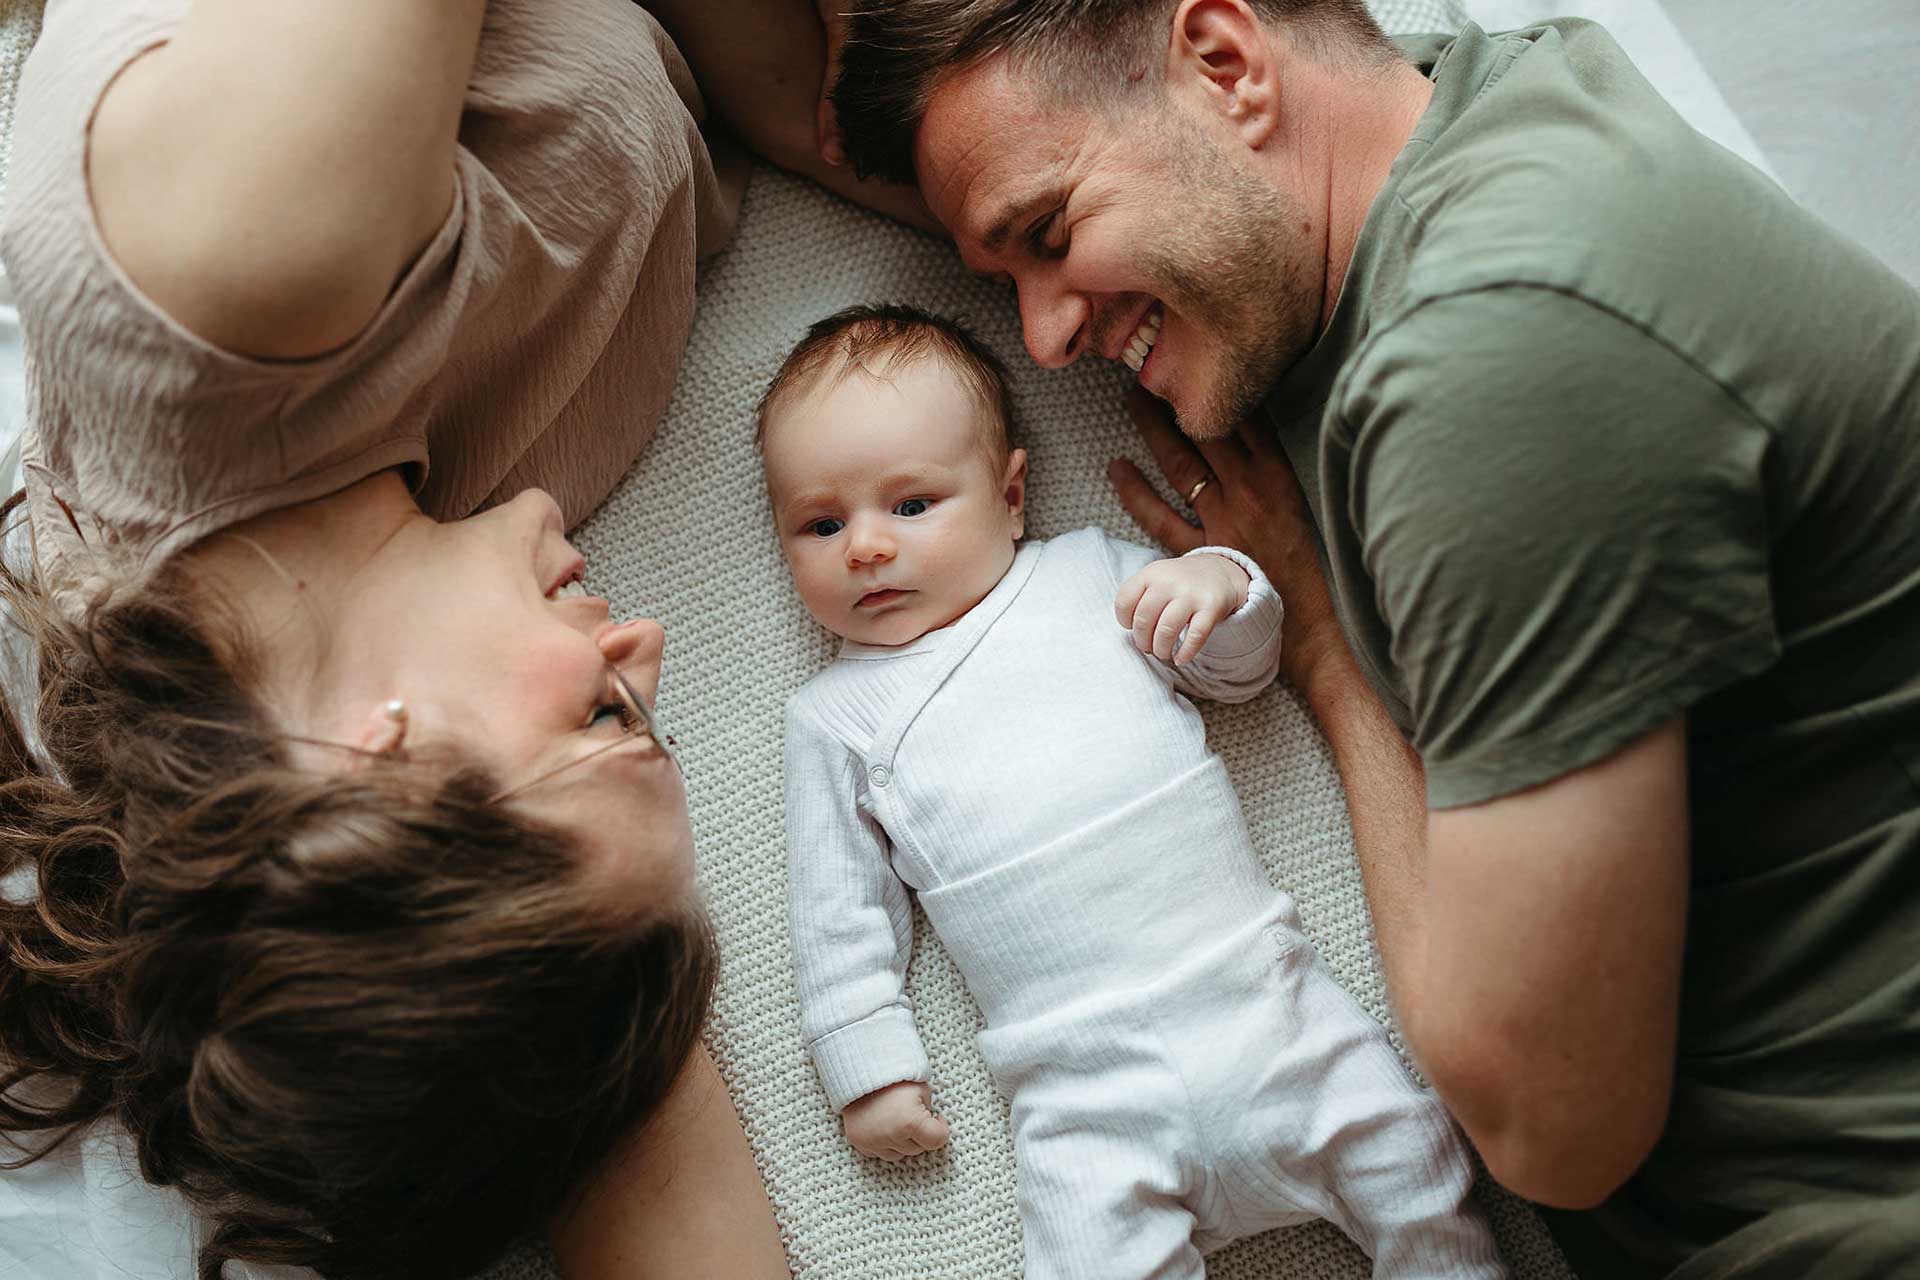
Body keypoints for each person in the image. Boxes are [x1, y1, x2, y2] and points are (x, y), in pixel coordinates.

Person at [828, 2, 1920, 1278]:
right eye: (1002, 279)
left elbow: (1547, 1132)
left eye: (1050, 237)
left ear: (1226, 64)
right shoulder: (1468, 108)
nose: (1043, 338)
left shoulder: (1504, 357)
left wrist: (1325, 655)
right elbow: (825, 106)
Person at [0, 1, 915, 1276]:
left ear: (382, 769)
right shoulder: (392, 581)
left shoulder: (237, 284)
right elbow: (604, 1115)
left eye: (606, 717)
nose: (645, 646)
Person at [761, 304, 1505, 1280]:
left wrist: (1222, 588)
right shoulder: (835, 717)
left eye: (910, 505)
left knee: (1412, 1157)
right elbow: (836, 912)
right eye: (821, 524)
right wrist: (867, 1068)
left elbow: (1241, 677)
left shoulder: (1092, 577)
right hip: (1081, 1088)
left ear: (1011, 496)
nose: (864, 545)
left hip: (1266, 1008)